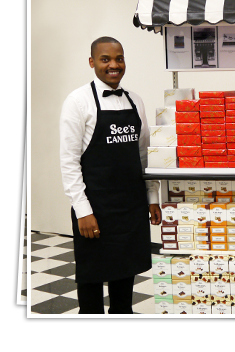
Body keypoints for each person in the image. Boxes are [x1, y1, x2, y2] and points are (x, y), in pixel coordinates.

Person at [60, 36, 161, 314]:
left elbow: (144, 155)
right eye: (105, 59)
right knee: (91, 276)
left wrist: (152, 197)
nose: (113, 65)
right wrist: (82, 211)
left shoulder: (135, 100)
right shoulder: (77, 101)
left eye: (119, 59)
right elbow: (69, 162)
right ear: (92, 62)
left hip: (131, 206)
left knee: (125, 276)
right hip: (96, 206)